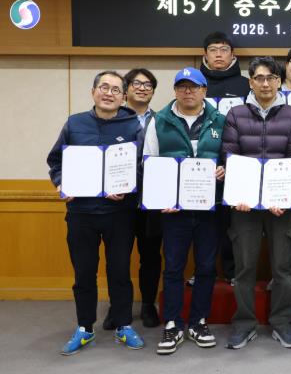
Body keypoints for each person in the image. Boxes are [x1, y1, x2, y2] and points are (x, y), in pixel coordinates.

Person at [47, 70, 144, 355]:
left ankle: (124, 325)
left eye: (116, 89)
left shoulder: (133, 126)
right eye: (104, 87)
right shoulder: (74, 123)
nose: (109, 93)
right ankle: (85, 327)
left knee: (120, 272)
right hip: (81, 213)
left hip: (120, 213)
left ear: (123, 97)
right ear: (93, 92)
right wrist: (62, 182)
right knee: (84, 273)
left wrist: (127, 187)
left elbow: (142, 165)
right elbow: (56, 161)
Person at [222, 57, 291, 350]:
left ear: (279, 81)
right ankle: (244, 324)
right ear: (250, 82)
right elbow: (230, 157)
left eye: (271, 78)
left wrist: (280, 196)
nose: (265, 83)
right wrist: (241, 195)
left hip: (280, 206)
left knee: (282, 269)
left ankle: (282, 323)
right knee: (244, 268)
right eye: (259, 78)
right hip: (244, 206)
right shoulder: (235, 114)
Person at [143, 67, 226, 355]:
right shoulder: (159, 121)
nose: (188, 91)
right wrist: (160, 197)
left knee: (206, 267)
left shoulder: (220, 120)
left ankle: (198, 321)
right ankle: (173, 324)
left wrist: (224, 169)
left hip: (209, 209)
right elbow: (149, 162)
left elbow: (230, 157)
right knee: (174, 267)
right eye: (182, 86)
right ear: (175, 90)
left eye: (194, 86)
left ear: (205, 91)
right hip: (173, 211)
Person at [102, 68, 162, 331]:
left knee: (150, 255)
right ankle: (117, 307)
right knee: (118, 257)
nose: (142, 88)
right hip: (119, 201)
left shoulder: (162, 120)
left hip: (152, 200)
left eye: (148, 84)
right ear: (126, 90)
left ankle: (148, 305)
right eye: (136, 83)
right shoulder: (112, 119)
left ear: (153, 91)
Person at [199, 31, 249, 286]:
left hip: (237, 162)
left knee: (233, 224)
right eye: (213, 50)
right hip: (201, 165)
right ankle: (202, 272)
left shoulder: (245, 85)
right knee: (202, 224)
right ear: (205, 54)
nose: (218, 55)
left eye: (224, 50)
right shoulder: (195, 83)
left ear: (233, 54)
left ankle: (231, 272)